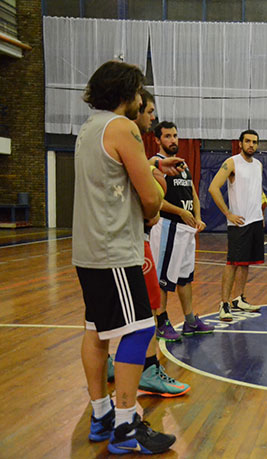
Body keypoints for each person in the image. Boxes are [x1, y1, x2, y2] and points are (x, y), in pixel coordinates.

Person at [73, 60, 175, 454]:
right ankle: (126, 423)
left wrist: (148, 165)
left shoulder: (90, 128)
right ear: (125, 95)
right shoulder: (123, 127)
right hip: (115, 248)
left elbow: (111, 173)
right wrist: (156, 185)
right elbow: (150, 199)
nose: (140, 101)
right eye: (137, 94)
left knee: (96, 331)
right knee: (140, 329)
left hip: (88, 249)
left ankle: (100, 415)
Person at [105, 89, 191, 397]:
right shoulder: (125, 135)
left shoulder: (96, 133)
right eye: (148, 109)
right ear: (133, 107)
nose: (151, 116)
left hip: (105, 242)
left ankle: (104, 403)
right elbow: (152, 204)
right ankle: (148, 372)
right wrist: (158, 188)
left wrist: (155, 172)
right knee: (148, 308)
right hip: (131, 240)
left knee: (100, 321)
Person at [149, 121, 214, 339]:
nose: (173, 140)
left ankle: (190, 321)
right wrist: (180, 212)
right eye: (167, 136)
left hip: (186, 229)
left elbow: (192, 193)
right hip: (167, 226)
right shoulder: (155, 164)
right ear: (157, 140)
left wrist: (197, 217)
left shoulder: (182, 165)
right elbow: (155, 201)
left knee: (185, 278)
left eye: (175, 135)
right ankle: (161, 321)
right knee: (164, 279)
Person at [208, 129, 264, 320]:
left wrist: (261, 215)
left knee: (245, 262)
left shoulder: (258, 165)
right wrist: (228, 213)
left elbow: (257, 191)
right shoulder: (231, 163)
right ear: (240, 143)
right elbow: (213, 187)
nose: (251, 145)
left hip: (255, 220)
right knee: (232, 263)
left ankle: (238, 298)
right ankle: (223, 303)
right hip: (239, 222)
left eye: (254, 142)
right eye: (247, 141)